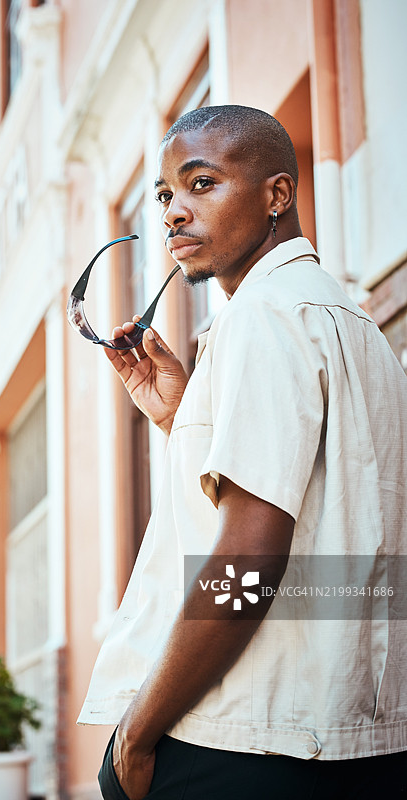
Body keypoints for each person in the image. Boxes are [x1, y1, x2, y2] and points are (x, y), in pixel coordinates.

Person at [77, 106, 407, 799]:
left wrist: (139, 732)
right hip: (357, 742)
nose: (173, 213)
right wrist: (184, 418)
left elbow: (250, 560)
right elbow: (330, 508)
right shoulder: (351, 322)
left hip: (247, 744)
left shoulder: (262, 315)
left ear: (277, 195)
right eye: (166, 195)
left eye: (201, 183)